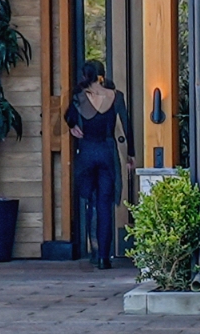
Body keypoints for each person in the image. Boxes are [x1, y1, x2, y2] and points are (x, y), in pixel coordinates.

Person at [65, 59, 133, 269]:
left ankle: (94, 250)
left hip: (87, 150)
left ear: (86, 76)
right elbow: (127, 124)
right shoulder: (116, 96)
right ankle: (105, 256)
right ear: (102, 74)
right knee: (105, 204)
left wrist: (72, 127)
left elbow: (68, 116)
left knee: (90, 201)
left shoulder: (79, 97)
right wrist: (131, 155)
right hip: (107, 150)